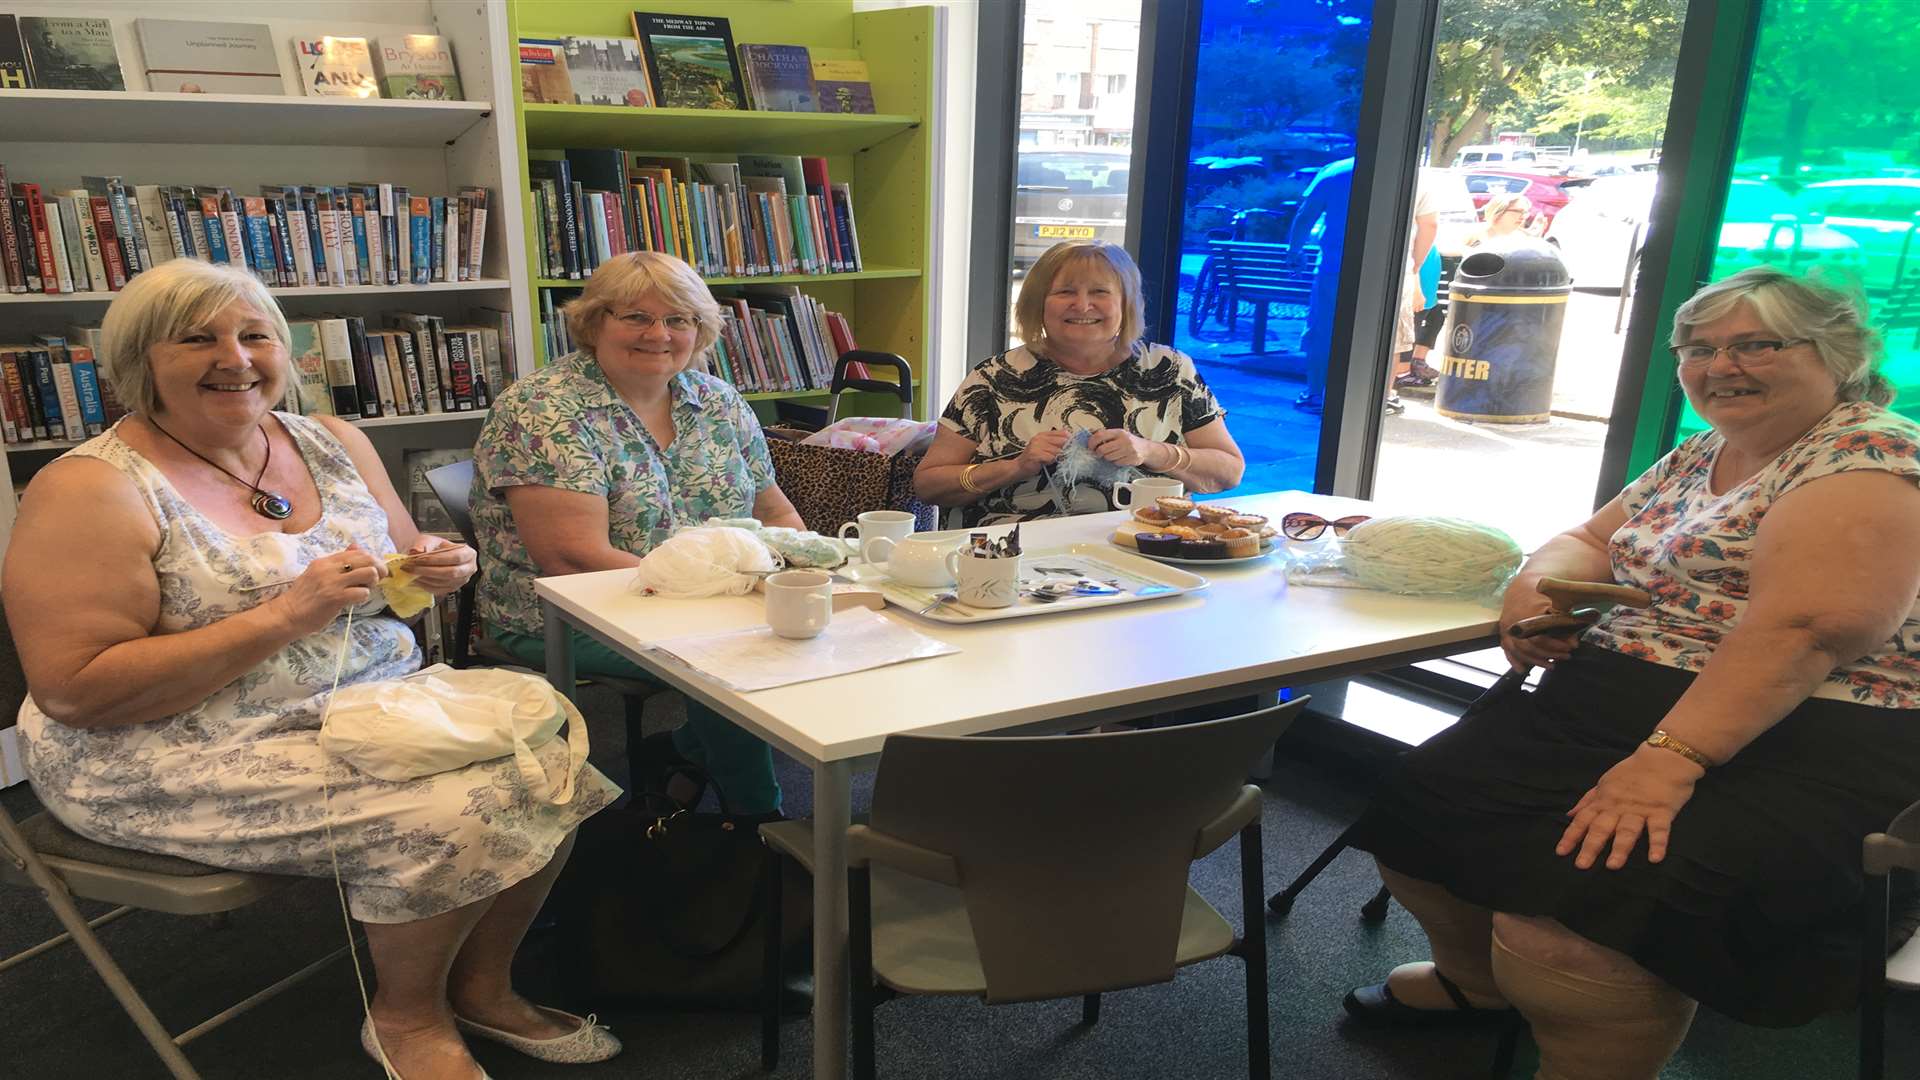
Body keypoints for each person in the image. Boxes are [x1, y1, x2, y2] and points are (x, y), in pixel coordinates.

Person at [3, 258, 622, 1080]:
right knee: (455, 805)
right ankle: (407, 1017)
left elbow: (401, 569)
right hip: (162, 745)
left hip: (360, 699)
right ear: (139, 361)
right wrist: (286, 615)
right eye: (199, 338)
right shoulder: (90, 489)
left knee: (552, 748)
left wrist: (435, 567)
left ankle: (482, 985)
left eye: (255, 335)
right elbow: (77, 690)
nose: (237, 357)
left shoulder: (331, 441)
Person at [1343, 266, 1920, 1080]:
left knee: (1580, 930)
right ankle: (1477, 987)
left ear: (1837, 353)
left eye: (1756, 344)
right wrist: (1531, 594)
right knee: (1419, 807)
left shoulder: (1867, 456)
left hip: (1801, 734)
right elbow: (1586, 538)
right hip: (1618, 707)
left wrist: (1666, 763)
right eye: (1701, 347)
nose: (1723, 366)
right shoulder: (1705, 452)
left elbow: (1806, 632)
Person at [470, 251, 803, 818]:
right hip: (564, 612)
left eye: (679, 320)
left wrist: (801, 577)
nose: (660, 334)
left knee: (809, 628)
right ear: (594, 322)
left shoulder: (717, 401)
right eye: (636, 317)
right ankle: (760, 823)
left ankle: (680, 750)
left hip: (708, 601)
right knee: (732, 661)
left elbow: (777, 516)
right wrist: (722, 602)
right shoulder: (545, 409)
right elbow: (573, 561)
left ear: (700, 331)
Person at [916, 240, 1244, 526]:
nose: (1083, 305)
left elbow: (1229, 471)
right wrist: (1016, 467)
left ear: (1126, 304)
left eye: (1100, 292)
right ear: (1038, 304)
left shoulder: (1170, 370)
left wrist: (1149, 451)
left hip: (1141, 551)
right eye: (1065, 292)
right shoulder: (994, 378)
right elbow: (928, 484)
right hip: (1013, 557)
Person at [1286, 157, 1353, 415]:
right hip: (1381, 270)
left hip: (1333, 268)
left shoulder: (1335, 172)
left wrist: (1294, 251)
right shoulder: (1396, 169)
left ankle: (1314, 393)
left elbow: (1305, 216)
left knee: (1322, 330)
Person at [1466, 192, 1535, 249]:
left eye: (1525, 212)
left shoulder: (1522, 239)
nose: (1523, 217)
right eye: (1518, 211)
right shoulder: (1474, 234)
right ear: (1499, 211)